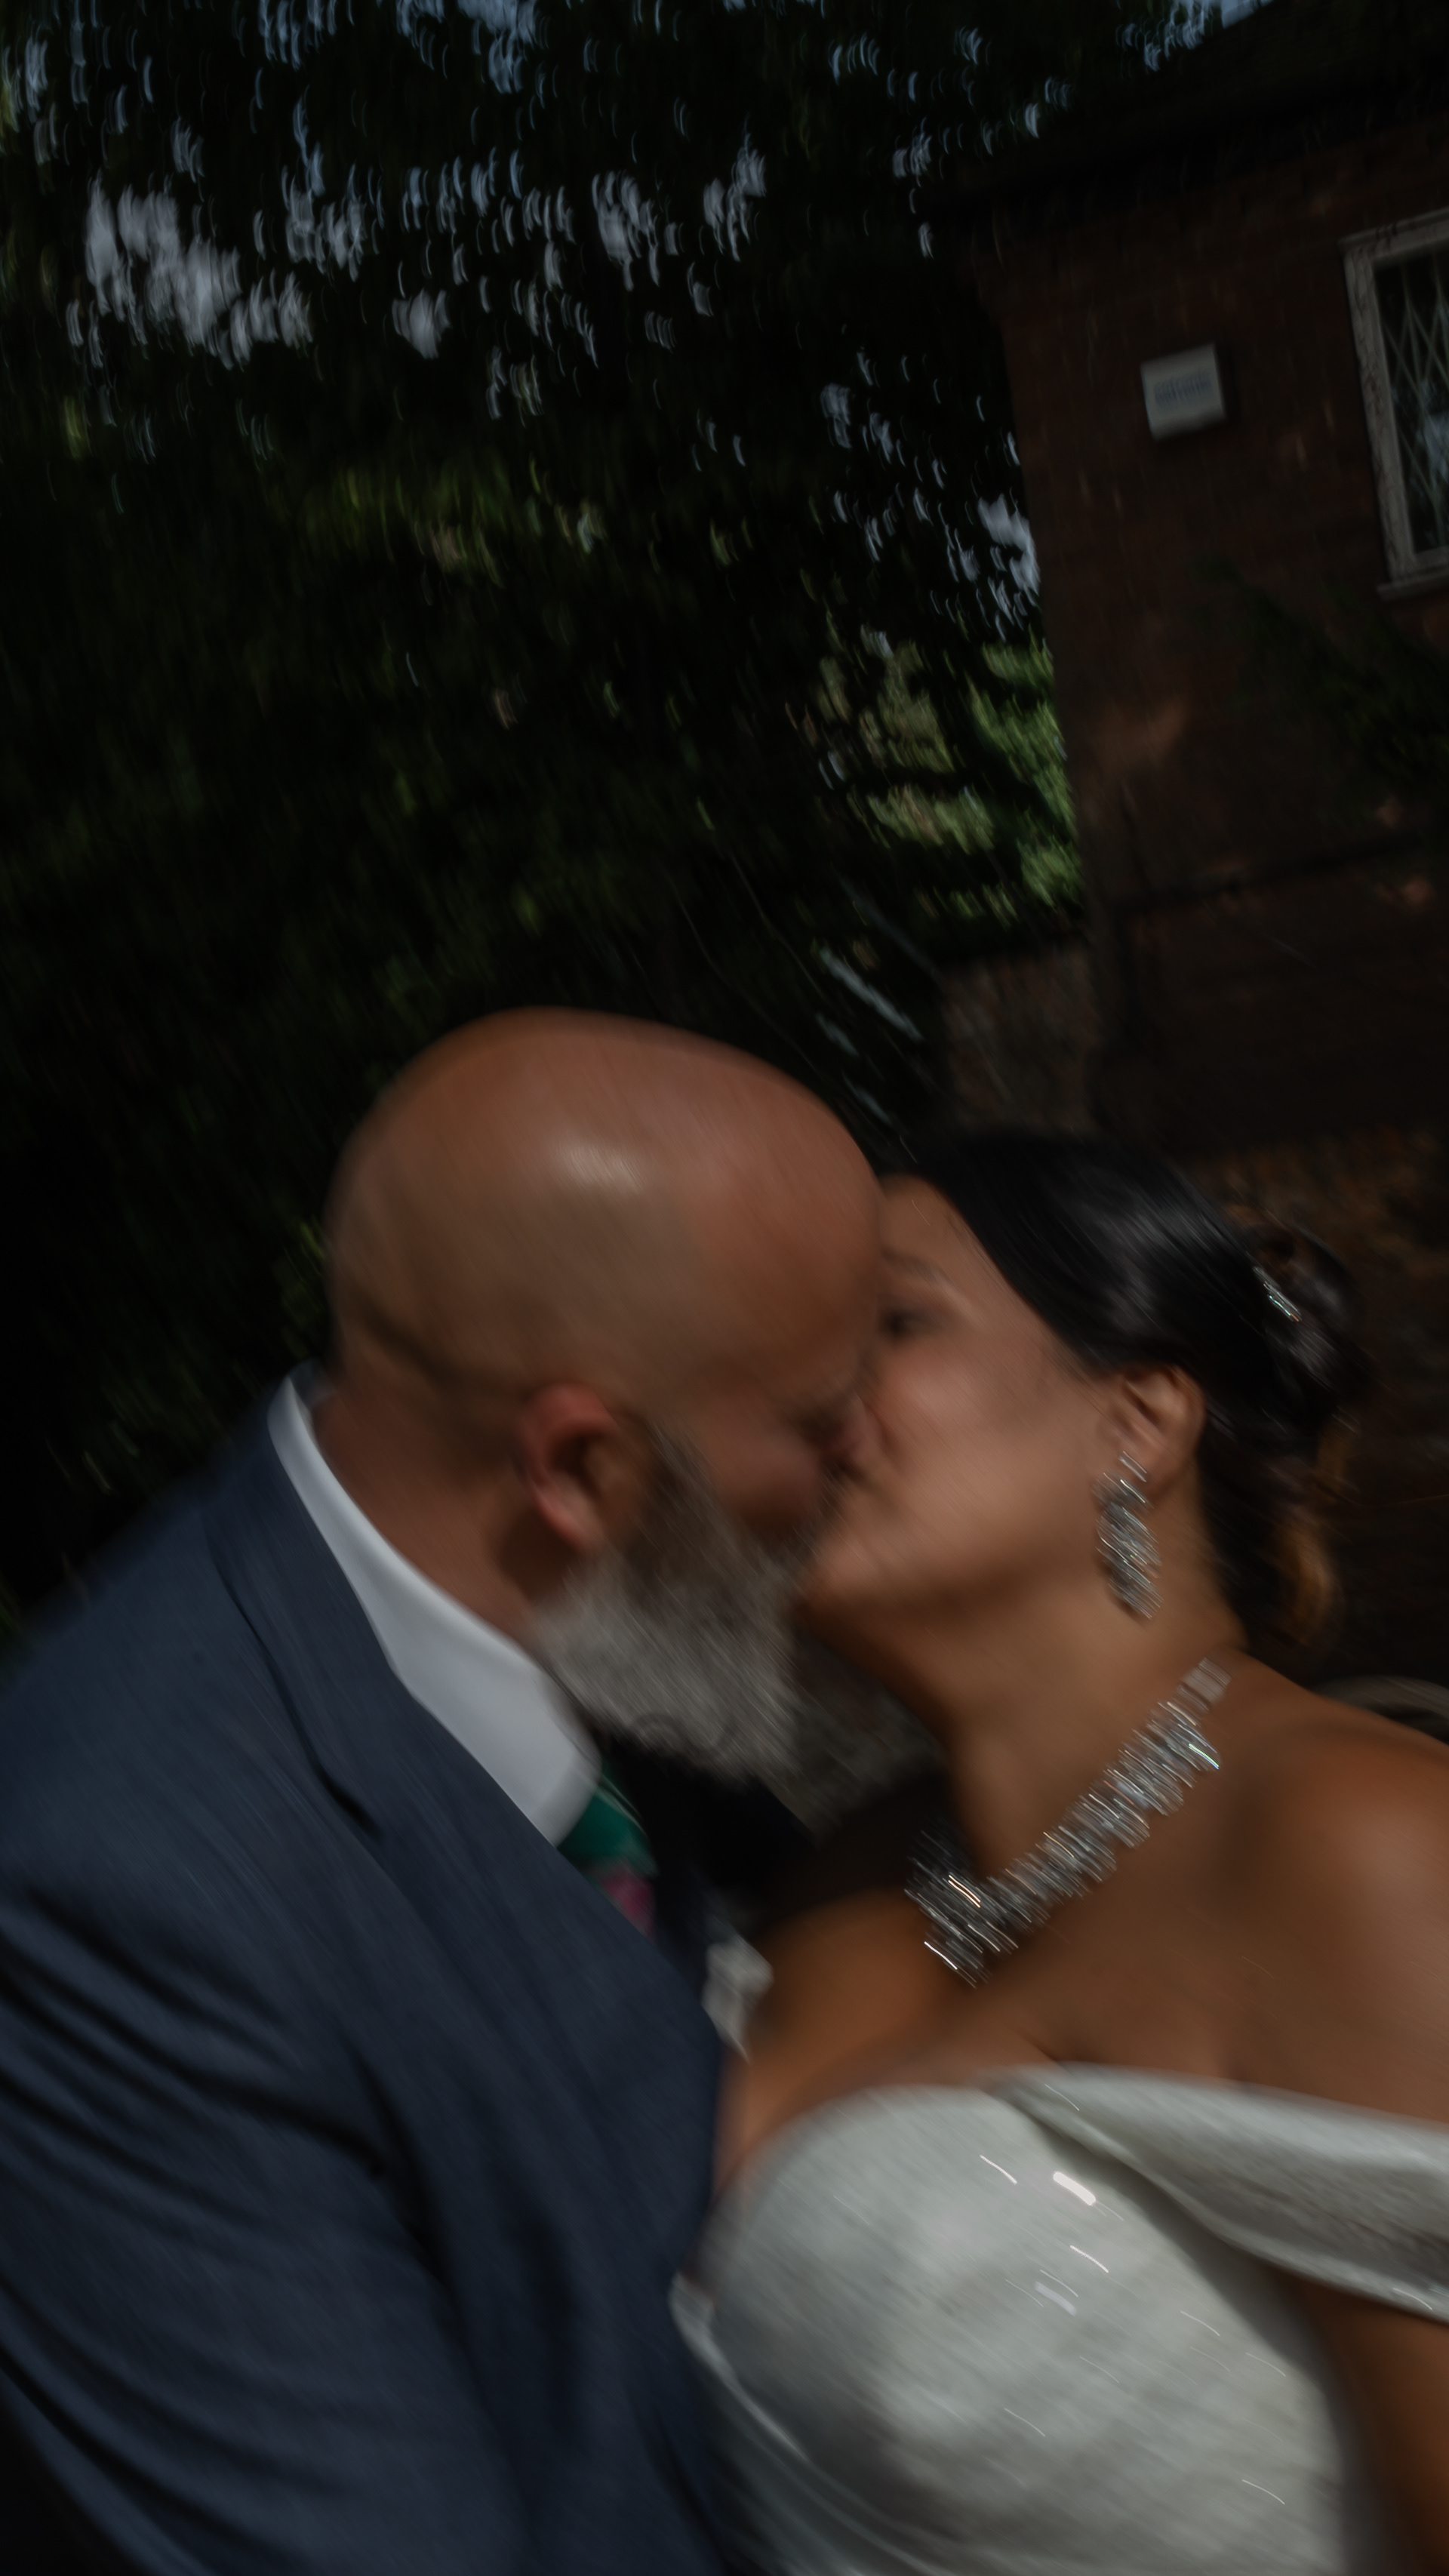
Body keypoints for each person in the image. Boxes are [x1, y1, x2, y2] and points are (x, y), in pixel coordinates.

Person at [0, 1011, 881, 2576]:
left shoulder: (646, 1621)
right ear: (582, 1469)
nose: (876, 1453)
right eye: (823, 1423)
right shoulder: (115, 1888)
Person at [678, 1131, 1449, 2576]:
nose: (799, 1394)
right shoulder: (837, 1876)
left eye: (891, 1324)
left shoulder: (1362, 1845)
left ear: (1137, 1422)